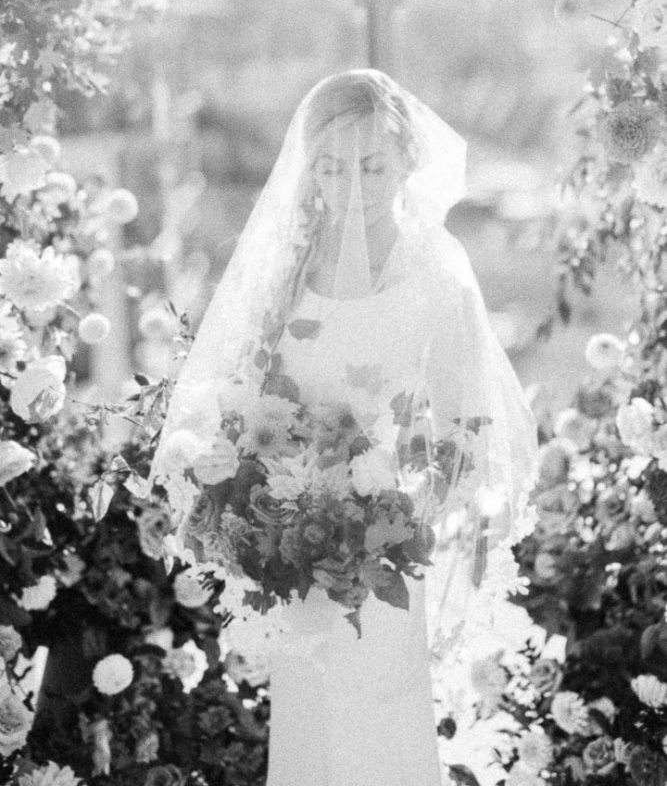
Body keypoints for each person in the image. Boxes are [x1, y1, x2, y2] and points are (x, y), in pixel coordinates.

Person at [150, 69, 539, 786]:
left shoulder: (435, 274)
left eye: (370, 165)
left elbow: (466, 425)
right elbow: (242, 394)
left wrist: (397, 511)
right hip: (287, 544)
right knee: (309, 727)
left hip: (383, 546)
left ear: (405, 163)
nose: (349, 186)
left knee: (376, 726)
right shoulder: (285, 267)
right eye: (330, 166)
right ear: (307, 168)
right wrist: (246, 493)